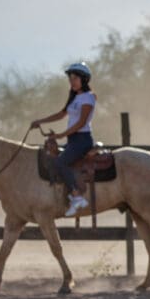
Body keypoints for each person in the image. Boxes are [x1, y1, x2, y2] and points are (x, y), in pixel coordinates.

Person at [30, 62, 97, 217]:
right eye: (70, 78)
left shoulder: (89, 97)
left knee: (60, 162)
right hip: (74, 140)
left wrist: (60, 135)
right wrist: (40, 121)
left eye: (75, 78)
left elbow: (81, 122)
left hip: (82, 140)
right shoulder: (74, 98)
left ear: (84, 80)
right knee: (53, 158)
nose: (71, 81)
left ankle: (76, 196)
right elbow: (61, 115)